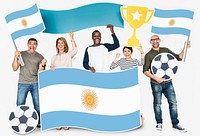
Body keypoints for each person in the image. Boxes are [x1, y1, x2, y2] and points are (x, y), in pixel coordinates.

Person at [143, 35, 190, 132]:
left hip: (168, 83)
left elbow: (178, 58)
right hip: (156, 83)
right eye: (153, 40)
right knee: (157, 104)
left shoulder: (166, 50)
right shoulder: (148, 55)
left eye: (156, 39)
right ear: (150, 41)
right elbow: (145, 71)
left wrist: (185, 47)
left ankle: (175, 124)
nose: (155, 41)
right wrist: (156, 78)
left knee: (173, 103)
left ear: (159, 40)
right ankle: (159, 123)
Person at [12, 38, 47, 128]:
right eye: (30, 44)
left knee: (38, 105)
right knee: (20, 103)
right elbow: (14, 68)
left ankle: (39, 122)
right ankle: (18, 123)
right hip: (23, 83)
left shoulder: (40, 57)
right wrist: (15, 57)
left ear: (37, 45)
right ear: (27, 44)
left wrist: (43, 64)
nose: (32, 46)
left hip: (35, 83)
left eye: (34, 44)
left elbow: (41, 71)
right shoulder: (21, 54)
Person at [50, 31, 77, 130]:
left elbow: (76, 49)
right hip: (57, 83)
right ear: (57, 45)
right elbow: (51, 68)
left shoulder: (69, 54)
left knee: (67, 102)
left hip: (68, 82)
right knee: (58, 102)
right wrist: (51, 68)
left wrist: (72, 38)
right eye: (59, 43)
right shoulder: (54, 57)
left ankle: (66, 122)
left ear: (65, 45)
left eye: (62, 43)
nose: (60, 44)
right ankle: (58, 122)